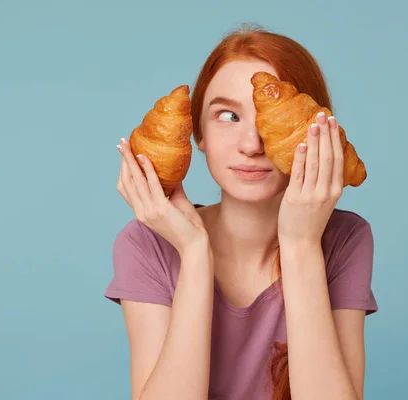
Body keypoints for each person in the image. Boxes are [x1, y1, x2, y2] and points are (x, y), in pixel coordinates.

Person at [105, 24, 378, 400]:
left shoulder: (345, 239)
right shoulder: (146, 244)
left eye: (266, 118)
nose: (251, 145)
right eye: (227, 116)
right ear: (197, 133)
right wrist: (195, 253)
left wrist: (301, 244)